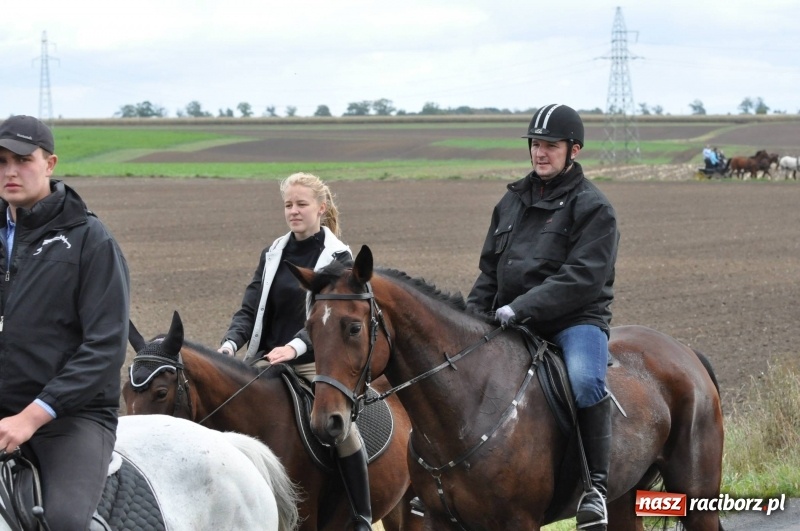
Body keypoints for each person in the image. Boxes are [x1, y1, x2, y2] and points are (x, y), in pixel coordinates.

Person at [467, 104, 619, 531]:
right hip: (513, 317)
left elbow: (582, 278)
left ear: (574, 150)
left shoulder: (593, 207)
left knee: (587, 382)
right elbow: (488, 272)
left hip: (576, 319)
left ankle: (596, 490)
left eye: (550, 145)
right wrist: (468, 319)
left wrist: (521, 308)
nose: (540, 153)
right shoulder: (512, 200)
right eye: (535, 144)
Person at [217, 172, 372, 530]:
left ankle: (362, 516)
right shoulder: (274, 252)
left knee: (345, 433)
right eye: (288, 205)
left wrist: (293, 347)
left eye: (301, 204)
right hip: (264, 361)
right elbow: (250, 308)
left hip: (312, 362)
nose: (294, 211)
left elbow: (328, 318)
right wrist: (229, 344)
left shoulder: (339, 256)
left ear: (321, 208)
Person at [0, 115, 130, 531]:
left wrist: (32, 416)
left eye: (22, 159)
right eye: (0, 161)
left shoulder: (91, 239)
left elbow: (105, 347)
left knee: (66, 522)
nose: (10, 171)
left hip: (70, 417)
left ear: (50, 164)